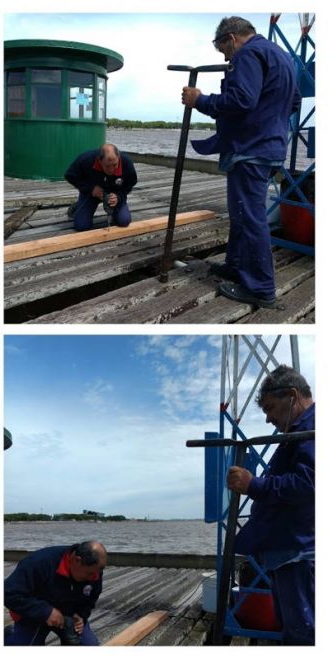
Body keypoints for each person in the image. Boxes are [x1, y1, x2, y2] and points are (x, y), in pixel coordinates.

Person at [181, 16, 301, 308]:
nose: (225, 56)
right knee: (241, 213)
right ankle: (235, 265)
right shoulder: (281, 57)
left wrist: (200, 100)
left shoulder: (247, 53)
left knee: (250, 218)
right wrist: (269, 121)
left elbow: (241, 100)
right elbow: (294, 102)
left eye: (223, 50)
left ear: (231, 39)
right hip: (268, 146)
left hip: (251, 148)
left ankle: (260, 287)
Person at [227, 365, 314, 645]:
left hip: (299, 553)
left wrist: (254, 485)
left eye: (270, 408)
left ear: (292, 396)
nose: (268, 419)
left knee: (304, 635)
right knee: (294, 629)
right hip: (290, 551)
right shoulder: (300, 430)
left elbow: (309, 484)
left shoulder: (312, 429)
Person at [4, 540, 107, 646]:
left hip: (69, 617)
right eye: (90, 574)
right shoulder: (39, 563)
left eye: (97, 574)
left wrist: (81, 615)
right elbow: (8, 593)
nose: (94, 578)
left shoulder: (94, 571)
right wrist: (46, 611)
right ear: (77, 560)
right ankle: (10, 635)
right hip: (34, 617)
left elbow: (92, 597)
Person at [64, 143, 137, 231]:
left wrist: (119, 197)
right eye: (107, 166)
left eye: (115, 165)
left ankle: (114, 212)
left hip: (115, 193)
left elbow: (130, 183)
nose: (111, 170)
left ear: (119, 157)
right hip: (91, 194)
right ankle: (76, 207)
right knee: (82, 226)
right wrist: (91, 188)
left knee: (124, 221)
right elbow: (70, 175)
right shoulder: (86, 159)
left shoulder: (126, 162)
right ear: (99, 160)